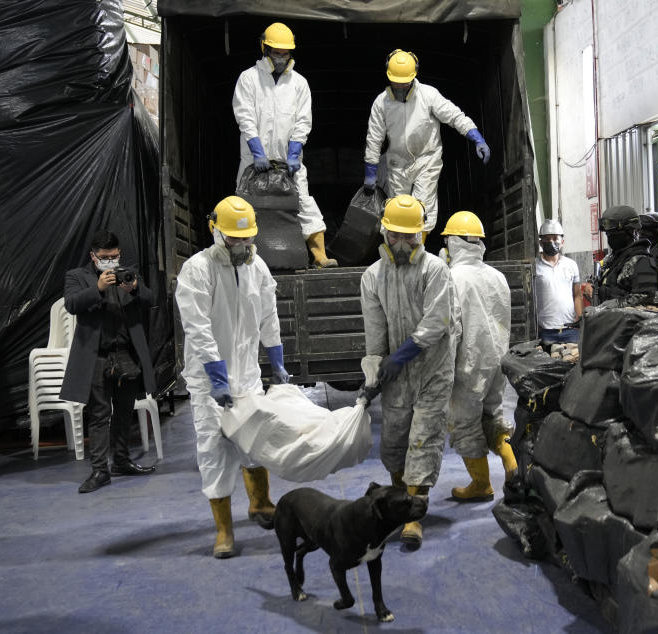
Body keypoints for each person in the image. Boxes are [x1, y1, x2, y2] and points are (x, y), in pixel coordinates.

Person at [175, 195, 291, 559]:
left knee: (255, 443)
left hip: (248, 376)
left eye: (247, 239)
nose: (242, 245)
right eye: (234, 239)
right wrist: (217, 378)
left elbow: (269, 318)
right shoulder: (197, 270)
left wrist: (277, 362)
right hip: (210, 382)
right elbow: (197, 328)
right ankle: (224, 530)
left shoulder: (259, 268)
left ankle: (260, 504)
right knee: (215, 451)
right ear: (216, 232)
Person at [360, 194, 455, 549]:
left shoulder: (435, 270)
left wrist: (399, 357)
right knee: (395, 442)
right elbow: (374, 334)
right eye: (394, 236)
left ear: (422, 236)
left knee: (424, 440)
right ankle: (402, 503)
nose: (401, 244)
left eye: (409, 237)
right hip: (398, 378)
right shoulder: (372, 277)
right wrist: (374, 371)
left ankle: (414, 516)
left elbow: (436, 324)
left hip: (432, 369)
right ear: (383, 233)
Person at [232, 22, 337, 268]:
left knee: (303, 202)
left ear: (291, 53)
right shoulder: (249, 78)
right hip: (254, 158)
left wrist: (294, 153)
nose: (280, 58)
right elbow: (244, 116)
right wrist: (258, 151)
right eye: (275, 53)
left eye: (284, 53)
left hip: (289, 160)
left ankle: (319, 256)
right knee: (245, 205)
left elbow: (303, 121)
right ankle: (239, 255)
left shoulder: (299, 83)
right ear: (264, 49)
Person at [60, 230, 157, 494]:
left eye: (114, 257)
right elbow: (71, 304)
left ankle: (122, 461)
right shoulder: (77, 276)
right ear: (93, 256)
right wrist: (99, 288)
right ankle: (100, 470)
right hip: (97, 357)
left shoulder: (129, 272)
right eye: (104, 257)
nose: (110, 262)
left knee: (125, 412)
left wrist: (135, 288)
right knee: (100, 415)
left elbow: (151, 300)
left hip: (127, 354)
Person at [362, 49, 491, 243]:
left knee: (423, 207)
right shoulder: (381, 103)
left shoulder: (428, 95)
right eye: (395, 81)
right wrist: (370, 171)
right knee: (398, 210)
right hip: (397, 162)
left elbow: (454, 116)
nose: (399, 86)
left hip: (426, 159)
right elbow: (374, 138)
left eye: (404, 82)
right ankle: (396, 253)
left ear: (413, 77)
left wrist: (475, 137)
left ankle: (417, 249)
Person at [439, 211, 518, 501]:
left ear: (455, 243)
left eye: (447, 240)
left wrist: (442, 372)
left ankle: (482, 484)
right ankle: (512, 462)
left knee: (465, 423)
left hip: (466, 364)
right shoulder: (498, 277)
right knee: (493, 413)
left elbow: (450, 330)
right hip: (496, 362)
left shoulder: (452, 278)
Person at [587, 205, 658, 305]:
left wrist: (612, 301)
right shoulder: (612, 260)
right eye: (608, 234)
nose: (610, 238)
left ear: (632, 231)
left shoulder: (642, 263)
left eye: (615, 234)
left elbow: (646, 302)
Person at [534, 219, 583, 345]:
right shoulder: (534, 267)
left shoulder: (571, 265)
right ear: (540, 242)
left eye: (555, 238)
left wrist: (580, 321)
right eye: (547, 239)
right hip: (545, 331)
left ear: (562, 241)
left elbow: (577, 295)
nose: (551, 242)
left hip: (570, 330)